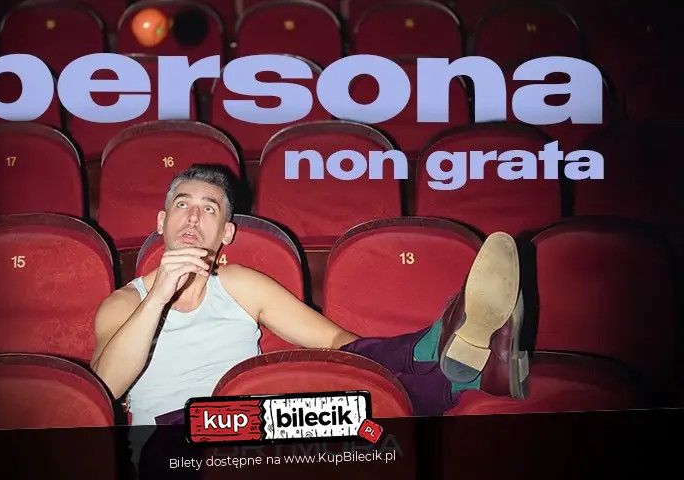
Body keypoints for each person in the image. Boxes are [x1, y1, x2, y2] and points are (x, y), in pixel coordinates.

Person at [91, 164, 529, 427]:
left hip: (262, 434)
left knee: (353, 412)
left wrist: (391, 365)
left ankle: (447, 354)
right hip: (175, 444)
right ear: (161, 222)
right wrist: (158, 296)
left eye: (210, 209)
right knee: (319, 416)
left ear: (226, 233)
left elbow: (336, 342)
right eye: (183, 205)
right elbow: (105, 388)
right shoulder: (125, 304)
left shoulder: (238, 284)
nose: (193, 217)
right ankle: (459, 365)